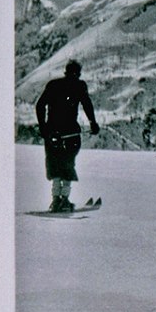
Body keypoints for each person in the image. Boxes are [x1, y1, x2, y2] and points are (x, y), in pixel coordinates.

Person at [35, 60, 100, 212]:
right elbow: (87, 105)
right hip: (70, 131)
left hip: (52, 132)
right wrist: (93, 123)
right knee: (67, 164)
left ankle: (56, 199)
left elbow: (40, 105)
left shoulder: (53, 85)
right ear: (78, 73)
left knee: (54, 164)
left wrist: (43, 127)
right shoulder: (79, 86)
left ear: (66, 71)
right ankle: (64, 199)